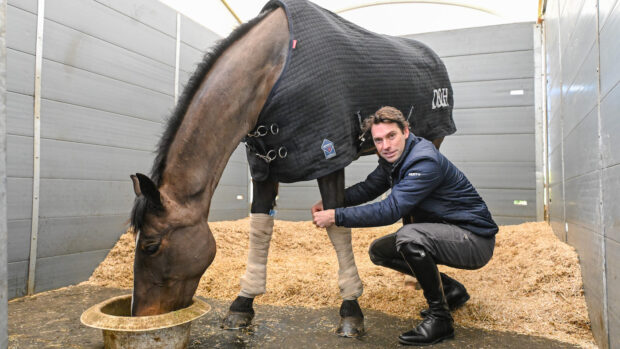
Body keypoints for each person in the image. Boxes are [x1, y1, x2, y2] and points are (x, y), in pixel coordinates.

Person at [312, 106, 498, 346]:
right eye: (378, 140)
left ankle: (440, 320)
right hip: (447, 232)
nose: (385, 145)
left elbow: (390, 210)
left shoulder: (423, 161)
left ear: (406, 131)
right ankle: (451, 291)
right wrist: (332, 201)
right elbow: (370, 188)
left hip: (473, 240)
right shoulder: (394, 158)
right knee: (380, 251)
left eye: (391, 136)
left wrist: (336, 215)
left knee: (409, 237)